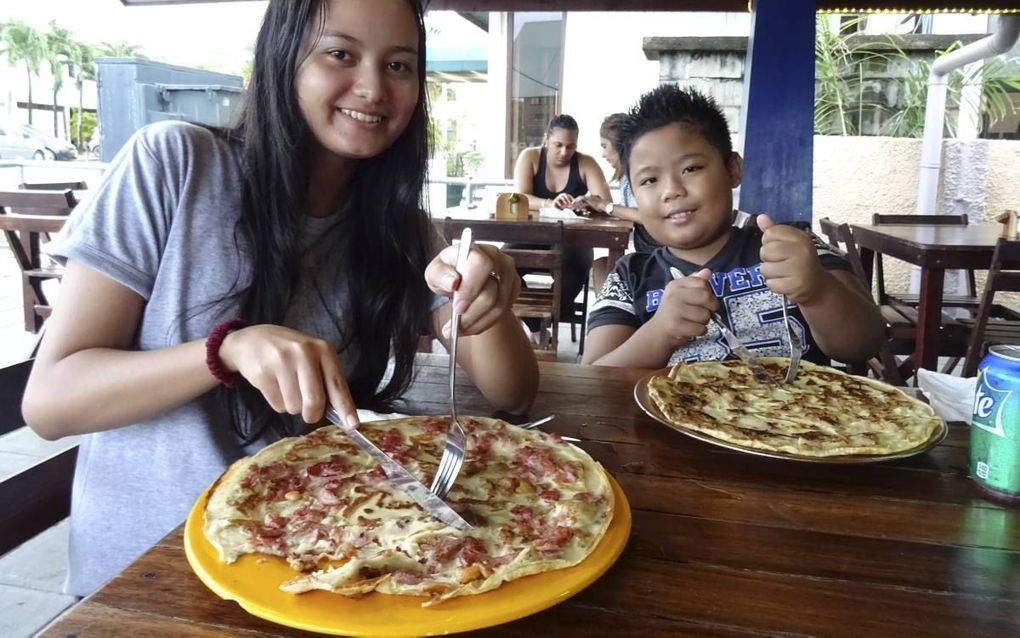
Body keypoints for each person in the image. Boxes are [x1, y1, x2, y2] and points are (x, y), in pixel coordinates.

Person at [21, 0, 537, 598]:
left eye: (399, 65)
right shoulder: (173, 164)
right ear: (282, 59)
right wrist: (227, 350)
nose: (372, 88)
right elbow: (50, 402)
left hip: (310, 568)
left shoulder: (399, 230)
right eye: (340, 54)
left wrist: (488, 284)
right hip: (144, 584)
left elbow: (513, 393)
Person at [582, 85, 884, 369]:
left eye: (691, 168)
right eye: (649, 180)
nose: (671, 190)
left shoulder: (791, 248)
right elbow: (595, 380)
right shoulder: (630, 276)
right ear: (634, 195)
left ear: (733, 170)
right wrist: (659, 333)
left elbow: (866, 344)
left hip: (799, 420)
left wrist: (816, 289)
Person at [511, 114, 611, 343]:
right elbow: (520, 197)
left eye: (571, 146)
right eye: (558, 145)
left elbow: (605, 201)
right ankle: (536, 327)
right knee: (505, 264)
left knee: (575, 273)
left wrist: (585, 202)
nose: (565, 152)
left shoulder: (585, 162)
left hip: (573, 240)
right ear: (546, 140)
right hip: (531, 236)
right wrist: (549, 203)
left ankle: (545, 324)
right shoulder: (530, 157)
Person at [572, 113, 662, 292]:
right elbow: (629, 210)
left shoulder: (642, 173)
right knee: (600, 266)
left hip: (659, 256)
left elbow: (646, 216)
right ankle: (607, 315)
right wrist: (597, 206)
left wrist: (606, 206)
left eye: (605, 146)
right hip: (646, 252)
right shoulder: (626, 176)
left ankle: (612, 315)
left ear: (619, 145)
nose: (603, 154)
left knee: (604, 269)